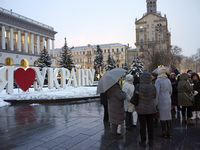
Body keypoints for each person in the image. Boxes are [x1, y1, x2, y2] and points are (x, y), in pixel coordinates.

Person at [135, 72, 156, 147]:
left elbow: (136, 97)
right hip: (151, 108)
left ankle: (143, 141)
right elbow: (154, 96)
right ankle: (151, 141)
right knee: (150, 125)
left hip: (141, 109)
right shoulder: (153, 87)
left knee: (142, 126)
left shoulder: (138, 86)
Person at [155, 68, 172, 139]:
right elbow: (171, 91)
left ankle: (164, 133)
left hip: (161, 99)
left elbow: (156, 92)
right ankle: (169, 133)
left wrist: (156, 102)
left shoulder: (158, 80)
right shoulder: (168, 80)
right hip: (168, 99)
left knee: (162, 117)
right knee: (168, 116)